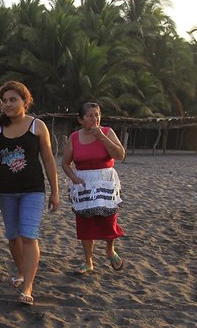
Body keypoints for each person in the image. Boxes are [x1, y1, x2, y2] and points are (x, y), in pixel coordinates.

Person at [0, 81, 60, 306]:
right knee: (13, 236)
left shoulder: (37, 126)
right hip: (5, 192)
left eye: (12, 99)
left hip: (32, 191)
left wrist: (55, 191)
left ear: (25, 102)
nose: (7, 104)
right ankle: (20, 271)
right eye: (4, 100)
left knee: (29, 235)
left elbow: (48, 159)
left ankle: (28, 285)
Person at [61, 102, 126, 275]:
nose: (94, 119)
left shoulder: (107, 132)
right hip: (84, 182)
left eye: (97, 115)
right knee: (85, 222)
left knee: (108, 220)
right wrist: (74, 177)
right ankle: (88, 261)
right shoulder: (74, 137)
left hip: (105, 181)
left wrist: (102, 138)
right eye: (90, 116)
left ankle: (110, 250)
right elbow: (65, 163)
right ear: (81, 120)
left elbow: (120, 155)